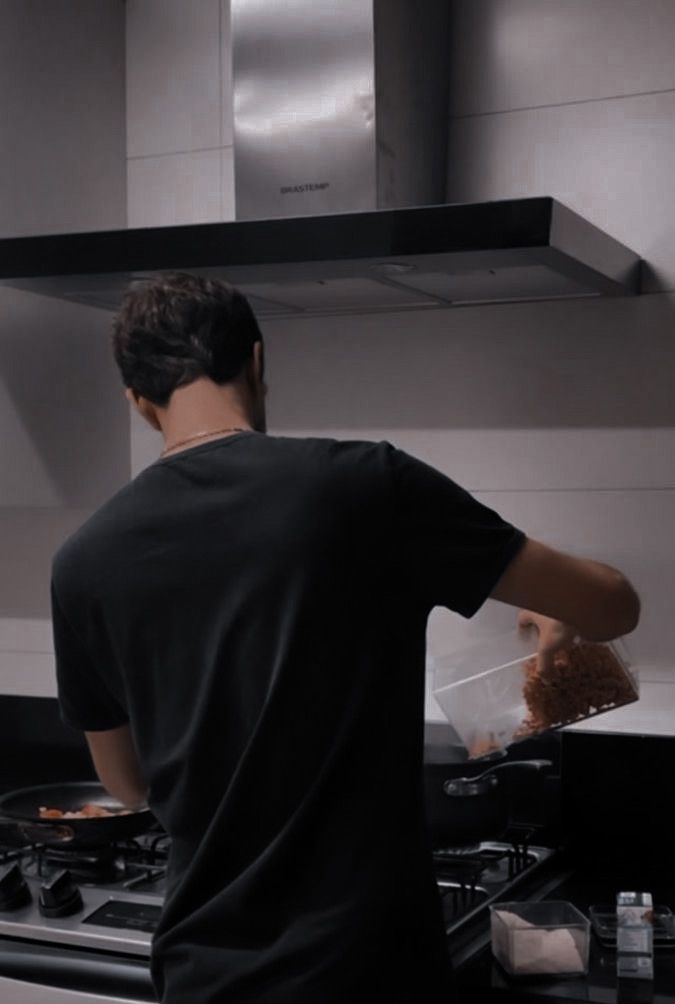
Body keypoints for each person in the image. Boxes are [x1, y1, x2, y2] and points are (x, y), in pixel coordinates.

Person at [50, 272, 641, 1004]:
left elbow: (127, 783)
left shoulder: (81, 562)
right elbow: (613, 606)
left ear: (138, 402)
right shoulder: (365, 487)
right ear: (258, 363)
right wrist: (565, 609)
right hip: (364, 968)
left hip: (206, 971)